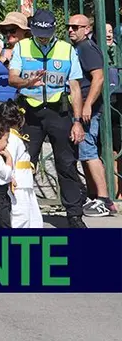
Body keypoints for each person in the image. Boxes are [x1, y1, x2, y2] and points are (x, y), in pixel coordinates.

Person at [8, 9, 89, 228]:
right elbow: (12, 78)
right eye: (38, 32)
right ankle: (18, 213)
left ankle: (74, 215)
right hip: (30, 114)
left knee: (67, 165)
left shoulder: (66, 50)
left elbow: (75, 87)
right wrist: (28, 83)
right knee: (24, 164)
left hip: (59, 112)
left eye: (46, 33)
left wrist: (77, 121)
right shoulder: (23, 47)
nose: (42, 37)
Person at [68, 13, 116, 216]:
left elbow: (99, 77)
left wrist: (87, 105)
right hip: (81, 107)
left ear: (87, 29)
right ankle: (94, 195)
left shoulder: (87, 48)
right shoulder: (79, 48)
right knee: (83, 153)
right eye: (69, 26)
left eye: (76, 27)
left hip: (88, 110)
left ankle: (104, 199)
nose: (71, 30)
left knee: (88, 153)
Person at [0, 101, 42, 228]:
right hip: (18, 186)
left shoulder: (14, 137)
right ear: (20, 120)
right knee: (20, 218)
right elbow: (8, 160)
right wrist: (10, 178)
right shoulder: (11, 139)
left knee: (31, 218)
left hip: (25, 184)